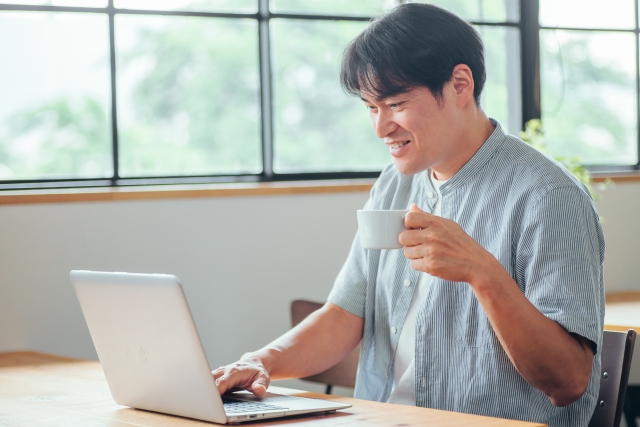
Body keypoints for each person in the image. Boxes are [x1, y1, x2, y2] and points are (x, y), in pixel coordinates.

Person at [213, 4, 605, 426]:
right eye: (370, 107)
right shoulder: (395, 183)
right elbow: (345, 314)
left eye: (395, 103)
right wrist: (262, 360)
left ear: (460, 85)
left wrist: (482, 272)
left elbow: (569, 381)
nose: (381, 127)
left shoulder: (549, 196)